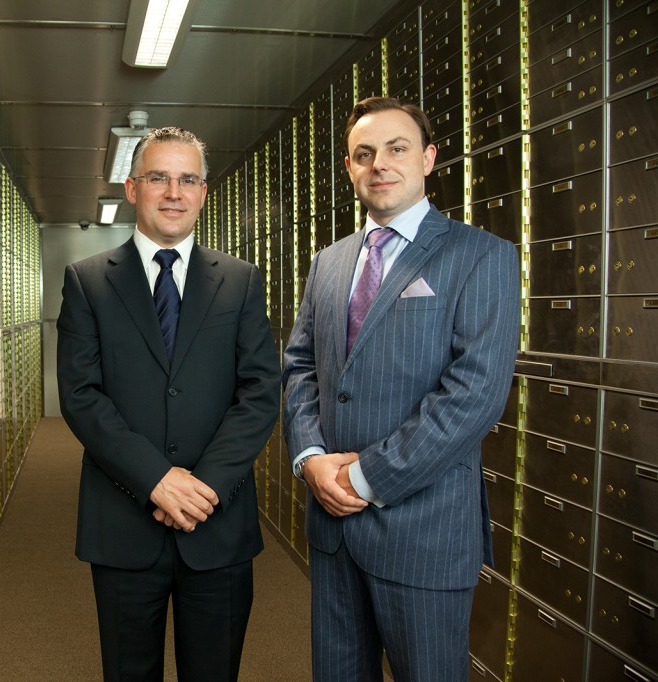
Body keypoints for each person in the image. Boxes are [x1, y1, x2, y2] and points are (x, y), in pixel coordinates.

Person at [282, 97, 520, 681]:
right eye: (364, 154)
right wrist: (310, 457)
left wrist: (365, 478)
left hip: (423, 530)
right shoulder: (329, 262)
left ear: (428, 158)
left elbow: (474, 394)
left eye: (397, 148)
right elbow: (300, 366)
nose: (380, 164)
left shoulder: (480, 256)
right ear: (349, 167)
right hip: (333, 528)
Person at [56, 126, 281, 681]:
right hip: (123, 524)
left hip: (217, 522)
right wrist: (156, 479)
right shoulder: (88, 282)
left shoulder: (240, 281)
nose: (174, 192)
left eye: (187, 180)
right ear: (133, 188)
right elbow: (81, 396)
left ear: (203, 192)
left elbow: (259, 392)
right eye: (159, 178)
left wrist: (203, 488)